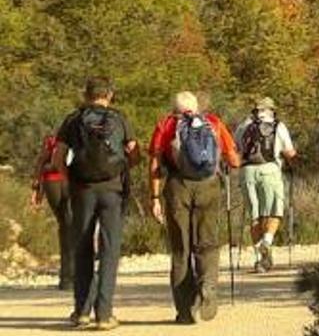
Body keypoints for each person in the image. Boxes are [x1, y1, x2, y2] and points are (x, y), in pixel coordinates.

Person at [53, 77, 140, 331]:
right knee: (110, 250)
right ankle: (104, 313)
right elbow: (134, 153)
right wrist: (121, 168)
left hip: (82, 190)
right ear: (109, 95)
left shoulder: (73, 119)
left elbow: (58, 156)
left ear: (86, 95)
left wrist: (70, 179)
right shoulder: (119, 118)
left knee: (82, 249)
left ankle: (81, 312)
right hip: (112, 190)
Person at [147, 91, 240, 324]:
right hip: (209, 187)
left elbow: (155, 163)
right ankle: (207, 287)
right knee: (207, 244)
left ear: (174, 108)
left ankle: (185, 312)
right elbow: (233, 160)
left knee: (181, 249)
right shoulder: (214, 123)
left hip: (178, 187)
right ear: (196, 107)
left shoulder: (166, 125)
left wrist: (155, 197)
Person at [234, 97, 297, 273]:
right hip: (270, 170)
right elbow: (290, 152)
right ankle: (267, 241)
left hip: (247, 172)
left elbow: (235, 151)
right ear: (271, 109)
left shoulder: (243, 126)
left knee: (255, 215)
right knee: (274, 211)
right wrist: (294, 164)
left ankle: (260, 259)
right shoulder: (278, 126)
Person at [30, 134, 73, 291]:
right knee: (73, 225)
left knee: (64, 226)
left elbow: (41, 161)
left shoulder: (52, 138)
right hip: (73, 182)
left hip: (51, 182)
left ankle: (66, 277)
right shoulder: (82, 133)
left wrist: (36, 191)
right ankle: (74, 274)